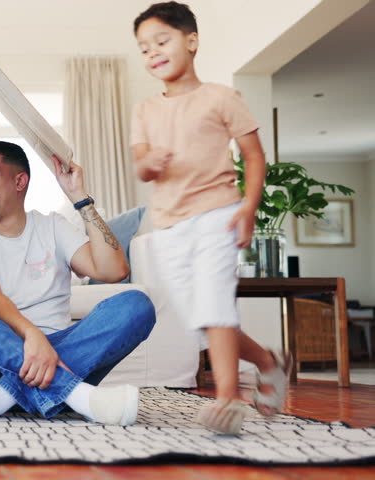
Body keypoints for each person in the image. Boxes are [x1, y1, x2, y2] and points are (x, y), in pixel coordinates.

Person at [132, 2, 291, 434]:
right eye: (144, 48)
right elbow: (141, 165)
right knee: (202, 321)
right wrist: (153, 162)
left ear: (191, 41)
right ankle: (267, 361)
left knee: (216, 303)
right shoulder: (146, 110)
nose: (153, 53)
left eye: (161, 41)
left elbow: (255, 156)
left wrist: (248, 208)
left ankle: (227, 400)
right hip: (168, 226)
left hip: (217, 214)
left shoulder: (221, 97)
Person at [0, 140, 156, 424]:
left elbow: (113, 270)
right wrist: (32, 336)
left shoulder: (53, 226)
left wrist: (79, 197)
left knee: (136, 305)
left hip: (59, 351)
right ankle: (76, 395)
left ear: (19, 181)